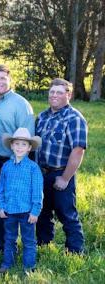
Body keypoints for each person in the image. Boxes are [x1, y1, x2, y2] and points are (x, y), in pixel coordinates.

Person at [0, 64, 35, 251]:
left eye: (2, 78)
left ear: (10, 80)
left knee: (4, 204)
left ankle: (7, 247)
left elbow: (27, 136)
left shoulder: (21, 104)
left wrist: (19, 165)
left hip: (9, 162)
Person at [35, 78, 87, 254]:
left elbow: (78, 151)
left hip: (61, 174)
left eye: (59, 92)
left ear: (68, 94)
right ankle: (43, 244)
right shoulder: (42, 117)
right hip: (41, 173)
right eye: (52, 92)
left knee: (67, 214)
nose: (54, 95)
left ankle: (75, 251)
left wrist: (65, 178)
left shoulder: (74, 118)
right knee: (42, 213)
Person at [0, 128, 43, 274]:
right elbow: (0, 188)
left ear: (29, 148)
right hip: (9, 210)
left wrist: (35, 211)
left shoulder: (33, 168)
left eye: (23, 145)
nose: (19, 147)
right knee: (9, 238)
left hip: (27, 211)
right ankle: (7, 264)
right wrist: (1, 206)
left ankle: (29, 266)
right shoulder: (6, 167)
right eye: (16, 144)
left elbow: (37, 192)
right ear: (11, 145)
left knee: (28, 240)